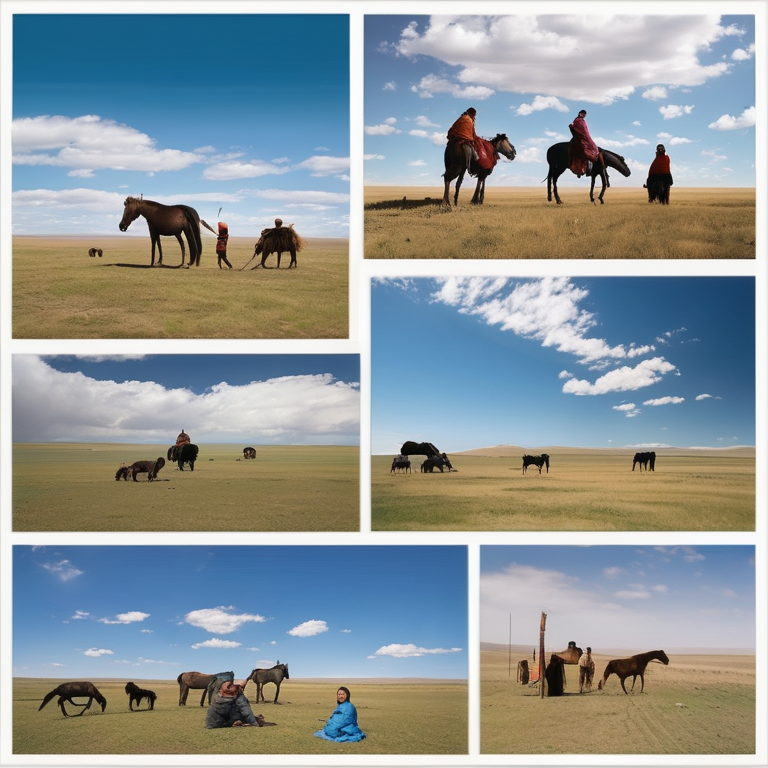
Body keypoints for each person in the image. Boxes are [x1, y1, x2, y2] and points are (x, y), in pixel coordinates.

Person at [568, 110, 603, 176]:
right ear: (580, 114)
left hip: (585, 138)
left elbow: (585, 131)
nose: (583, 116)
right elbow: (579, 130)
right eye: (583, 114)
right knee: (586, 151)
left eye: (584, 115)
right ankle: (582, 169)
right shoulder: (578, 120)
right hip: (580, 138)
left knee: (593, 149)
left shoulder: (581, 121)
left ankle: (587, 168)